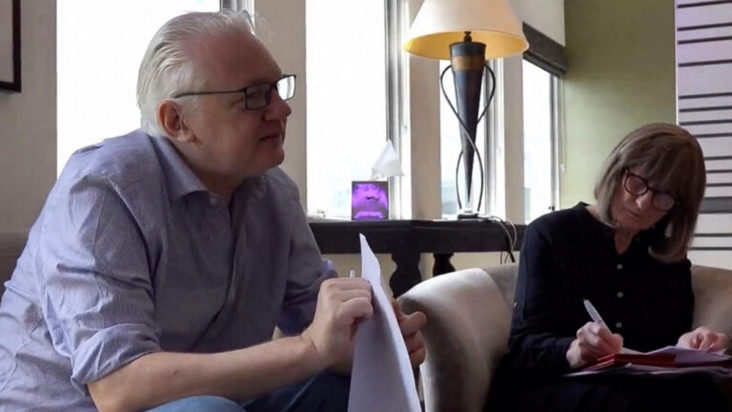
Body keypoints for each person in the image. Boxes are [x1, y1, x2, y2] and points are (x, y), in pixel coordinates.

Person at [0, 11, 426, 412]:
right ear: (177, 121)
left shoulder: (274, 193)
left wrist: (370, 342)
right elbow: (118, 387)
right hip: (77, 405)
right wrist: (310, 348)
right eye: (255, 96)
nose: (282, 109)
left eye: (277, 89)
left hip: (216, 402)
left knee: (351, 387)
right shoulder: (104, 190)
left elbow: (319, 325)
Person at [488, 123, 731, 411]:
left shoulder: (667, 256)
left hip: (631, 385)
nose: (643, 203)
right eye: (637, 183)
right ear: (617, 171)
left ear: (678, 208)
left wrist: (690, 343)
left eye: (663, 197)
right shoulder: (551, 233)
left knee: (704, 390)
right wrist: (575, 350)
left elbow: (669, 338)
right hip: (549, 382)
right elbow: (524, 343)